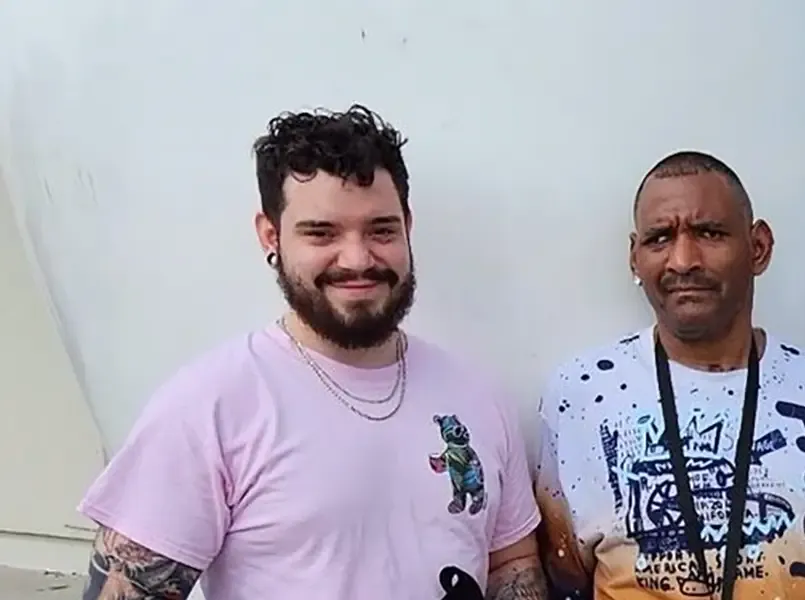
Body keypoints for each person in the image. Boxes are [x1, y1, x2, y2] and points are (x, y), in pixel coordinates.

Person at [76, 105, 546, 599]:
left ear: (407, 225)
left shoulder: (477, 395)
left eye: (381, 230)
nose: (358, 258)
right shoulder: (209, 406)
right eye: (321, 233)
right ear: (270, 235)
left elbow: (510, 565)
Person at [532, 151, 805, 600]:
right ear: (634, 259)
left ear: (759, 248)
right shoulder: (581, 391)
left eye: (709, 233)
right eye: (659, 238)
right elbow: (564, 575)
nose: (682, 260)